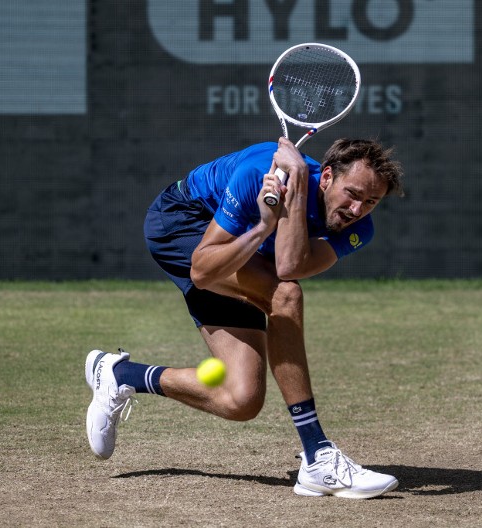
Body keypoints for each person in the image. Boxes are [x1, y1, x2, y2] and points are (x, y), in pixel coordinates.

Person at [85, 137, 404, 499]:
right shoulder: (257, 172)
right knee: (286, 295)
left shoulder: (360, 229)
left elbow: (289, 265)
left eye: (371, 201)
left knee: (242, 400)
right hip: (182, 223)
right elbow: (203, 271)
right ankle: (317, 455)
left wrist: (291, 199)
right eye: (353, 193)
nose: (357, 208)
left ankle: (119, 374)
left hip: (248, 252)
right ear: (327, 177)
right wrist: (262, 227)